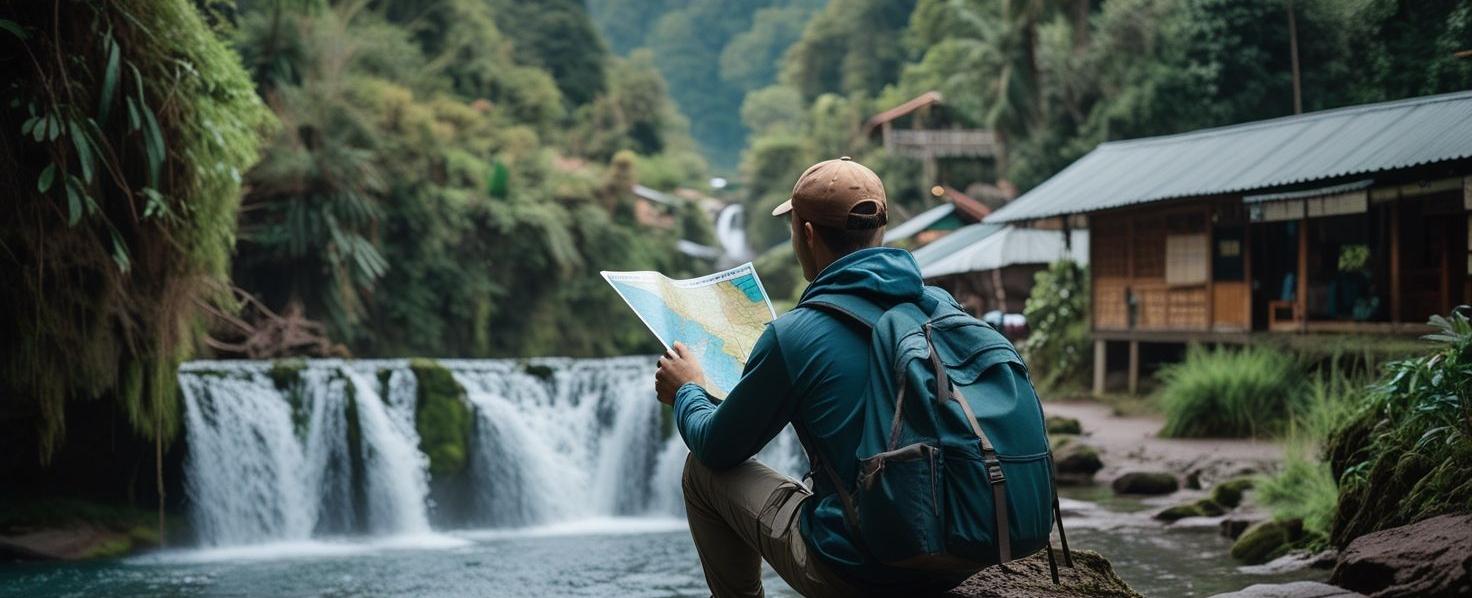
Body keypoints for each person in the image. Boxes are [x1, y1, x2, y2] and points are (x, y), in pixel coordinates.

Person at [655, 157, 968, 597]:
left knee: (701, 471)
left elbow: (717, 447)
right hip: (960, 550)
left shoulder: (798, 335)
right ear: (879, 230)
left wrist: (687, 388)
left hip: (860, 572)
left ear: (805, 233)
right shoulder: (941, 306)